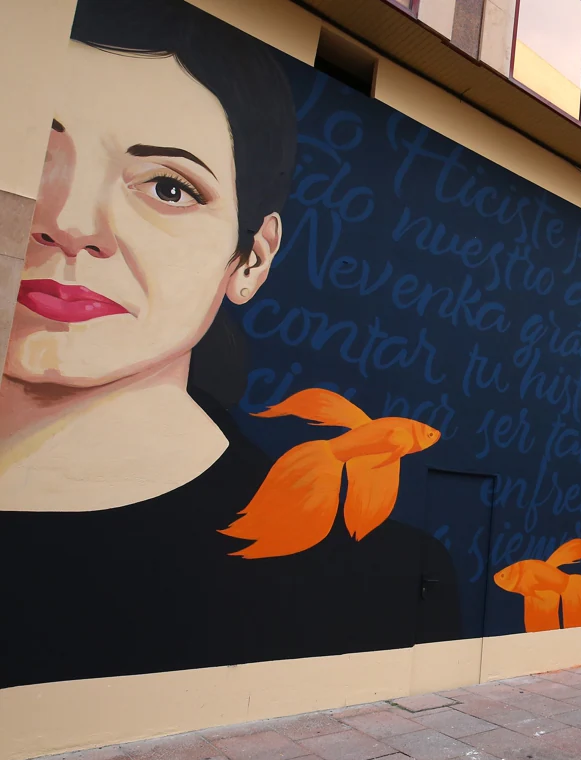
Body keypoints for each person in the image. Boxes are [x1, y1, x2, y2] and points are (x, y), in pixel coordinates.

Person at [0, 0, 461, 689]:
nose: (68, 223)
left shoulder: (368, 575)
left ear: (251, 259)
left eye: (166, 187)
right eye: (38, 151)